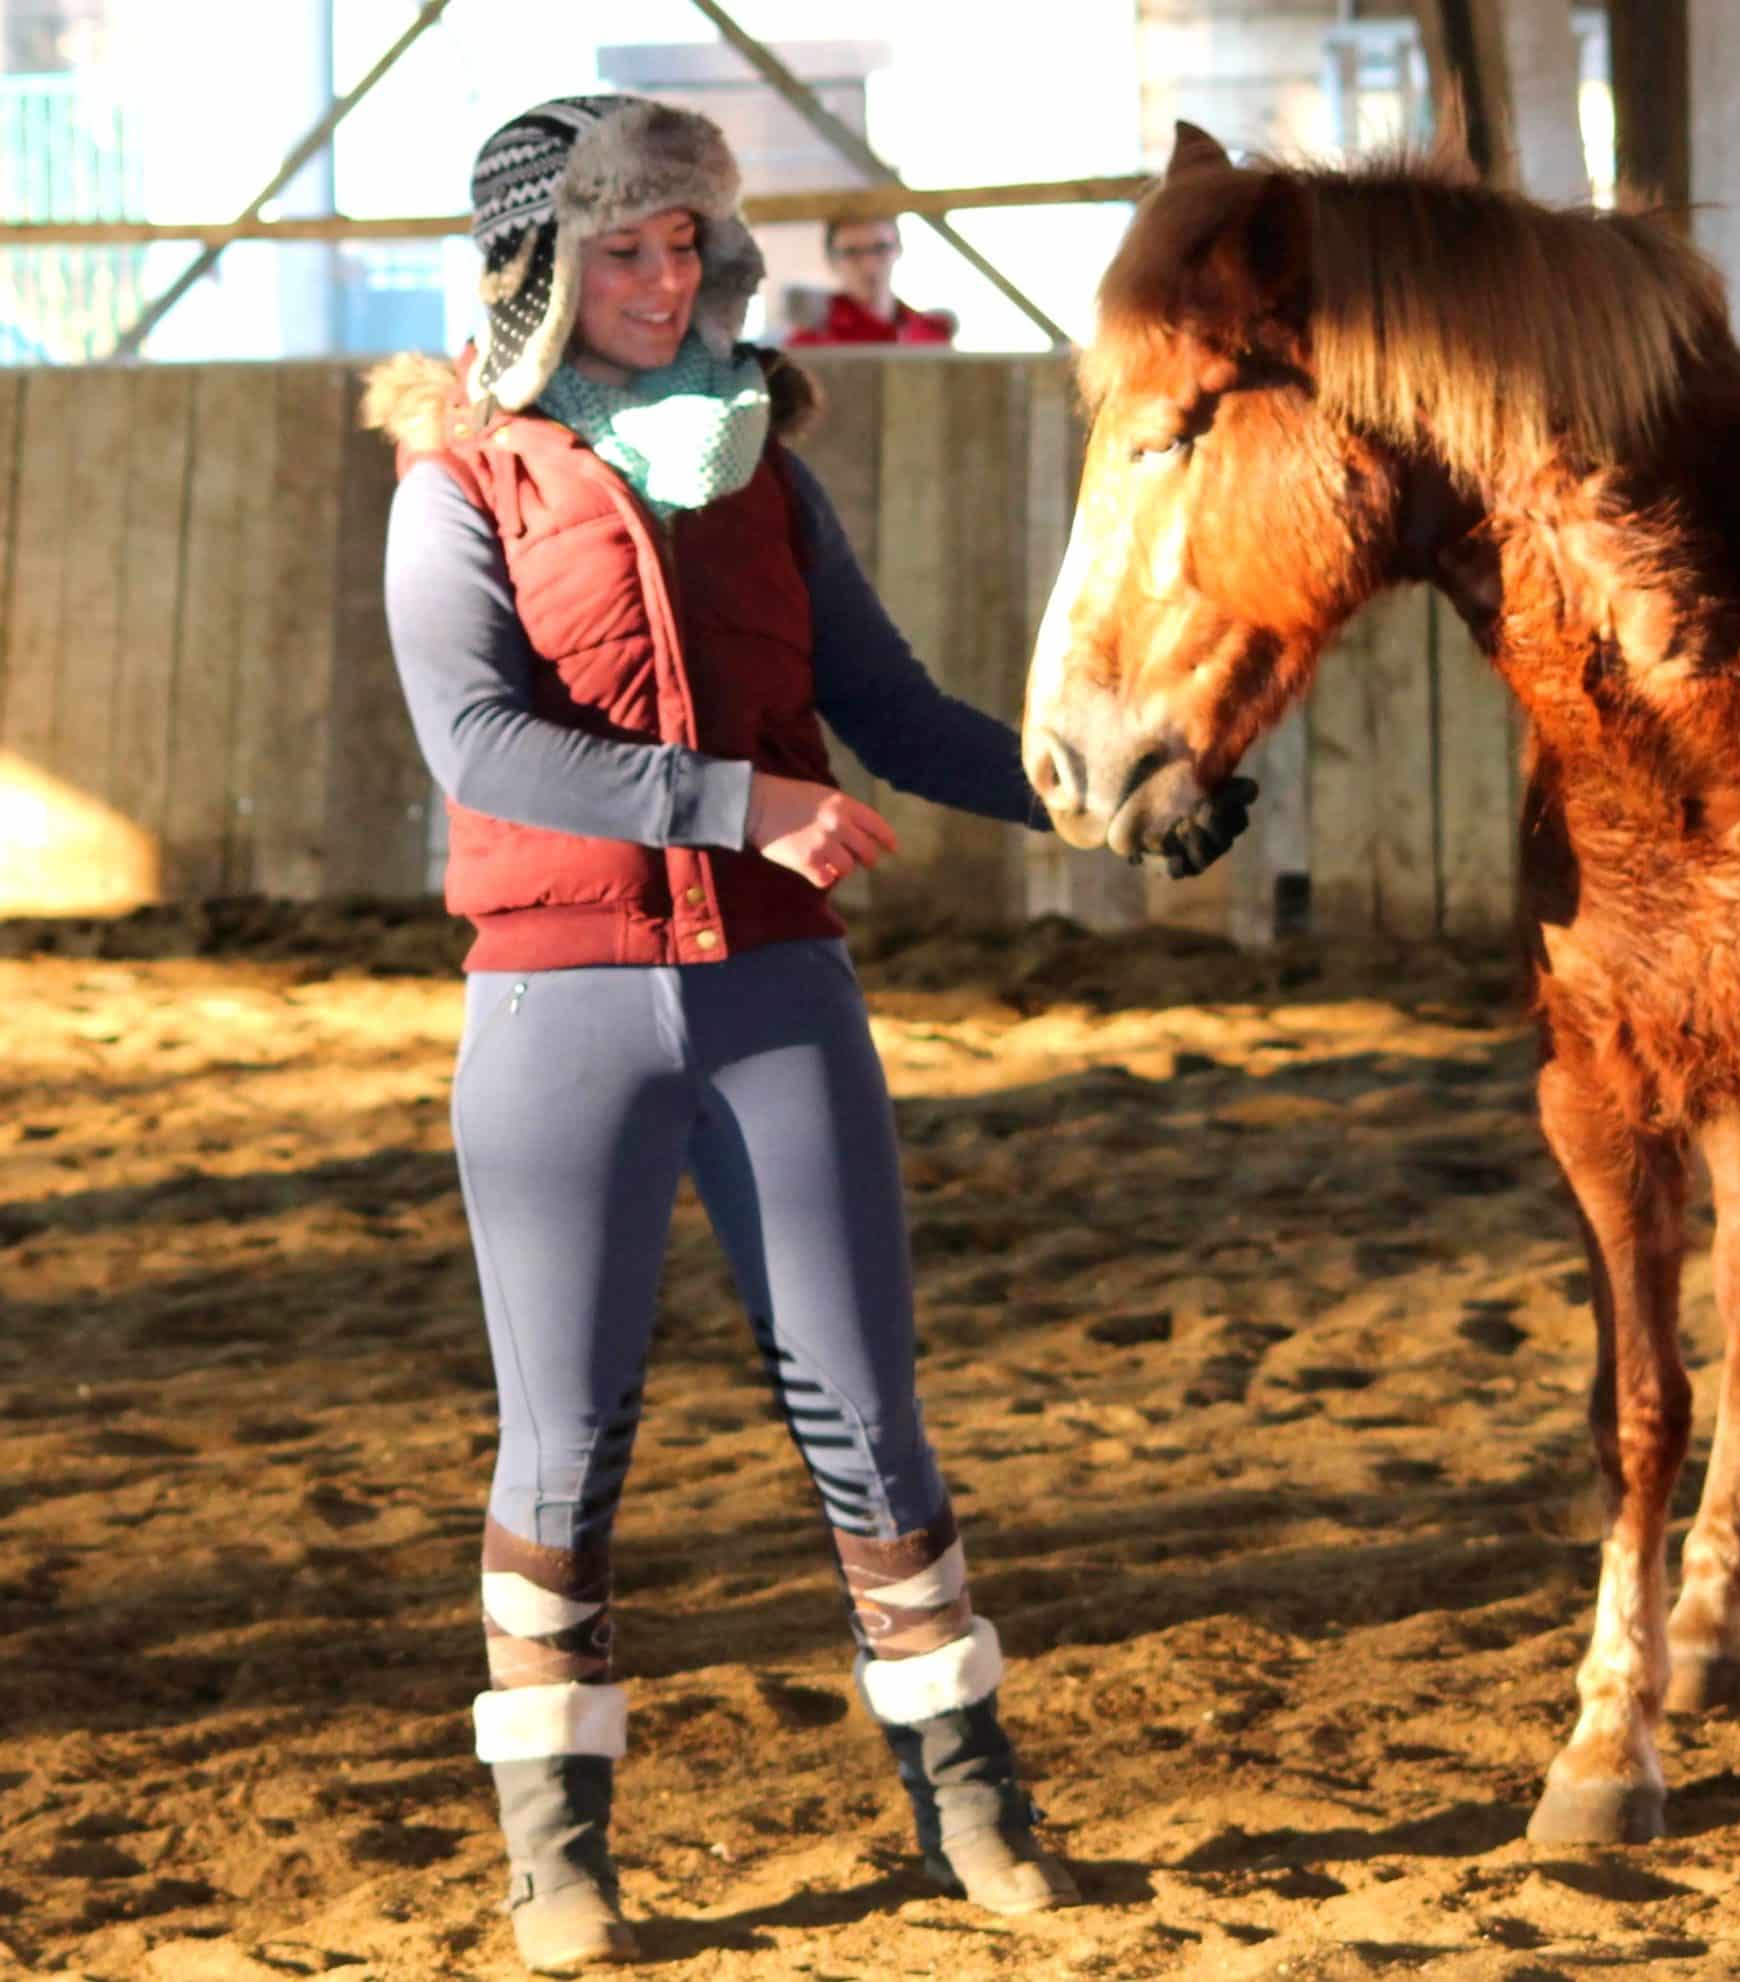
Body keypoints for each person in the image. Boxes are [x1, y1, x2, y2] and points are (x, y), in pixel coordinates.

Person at [363, 95, 1249, 1974]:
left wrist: (1095, 793)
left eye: (687, 242)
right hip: (555, 1003)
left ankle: (978, 1808)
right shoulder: (459, 481)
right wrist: (735, 805)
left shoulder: (764, 465)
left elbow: (894, 708)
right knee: (564, 1445)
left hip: (779, 999)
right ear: (535, 270)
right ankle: (559, 1862)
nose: (667, 277)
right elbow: (479, 744)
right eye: (625, 249)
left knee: (866, 1415)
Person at [785, 213, 956, 347]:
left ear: (898, 248)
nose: (869, 265)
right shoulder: (809, 346)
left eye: (880, 248)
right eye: (851, 252)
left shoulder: (932, 336)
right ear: (831, 261)